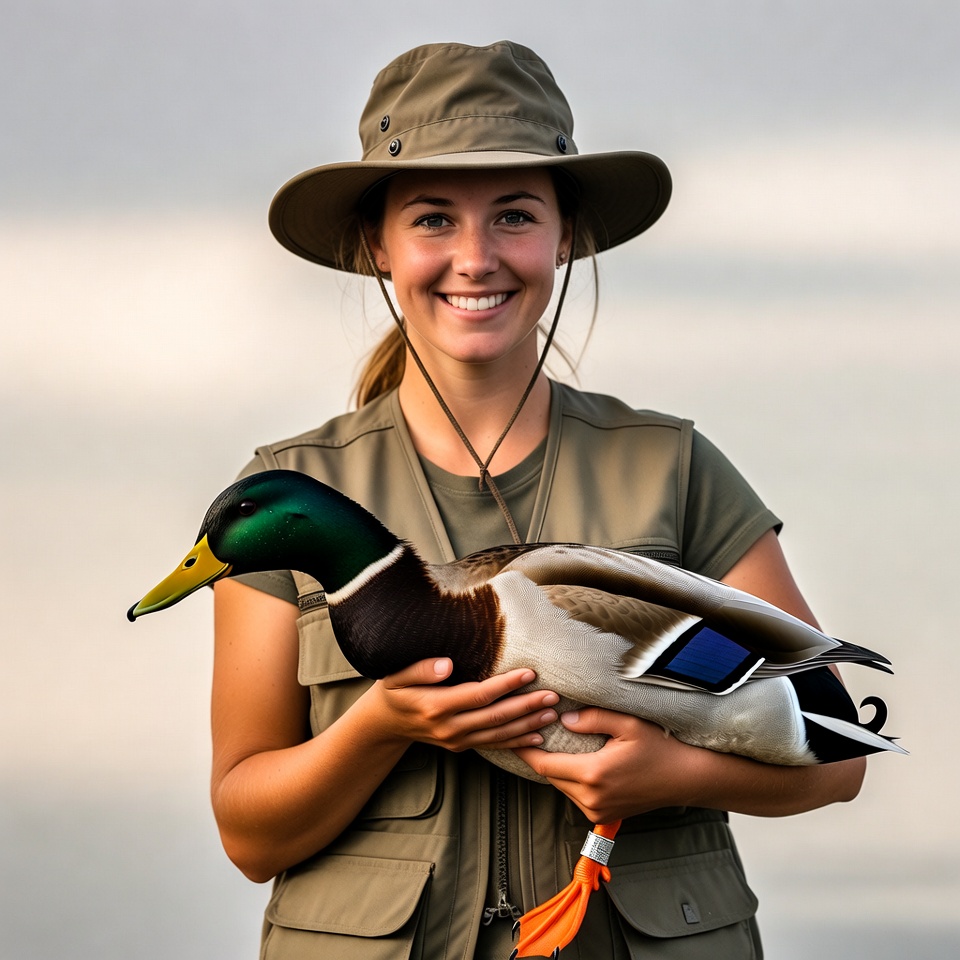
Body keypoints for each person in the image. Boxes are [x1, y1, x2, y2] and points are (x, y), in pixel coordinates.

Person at [210, 41, 865, 959]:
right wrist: (380, 724)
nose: (474, 259)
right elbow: (248, 833)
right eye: (433, 219)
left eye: (514, 216)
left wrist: (668, 772)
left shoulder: (669, 466)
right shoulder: (291, 496)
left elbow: (837, 759)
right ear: (379, 245)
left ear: (565, 236)